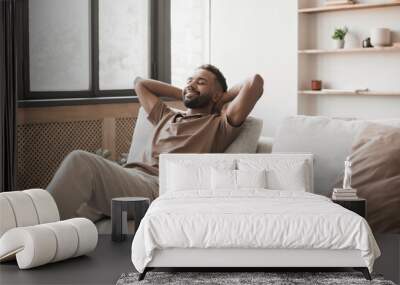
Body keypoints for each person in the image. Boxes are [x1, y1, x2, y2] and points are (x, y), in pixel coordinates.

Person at [47, 64, 264, 221]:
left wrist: (221, 97)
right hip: (130, 176)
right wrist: (186, 91)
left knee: (80, 161)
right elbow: (140, 84)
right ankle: (28, 231)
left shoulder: (219, 125)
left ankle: (34, 230)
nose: (192, 84)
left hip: (156, 187)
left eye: (201, 81)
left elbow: (254, 82)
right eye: (189, 80)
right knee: (64, 211)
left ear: (217, 95)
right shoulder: (167, 115)